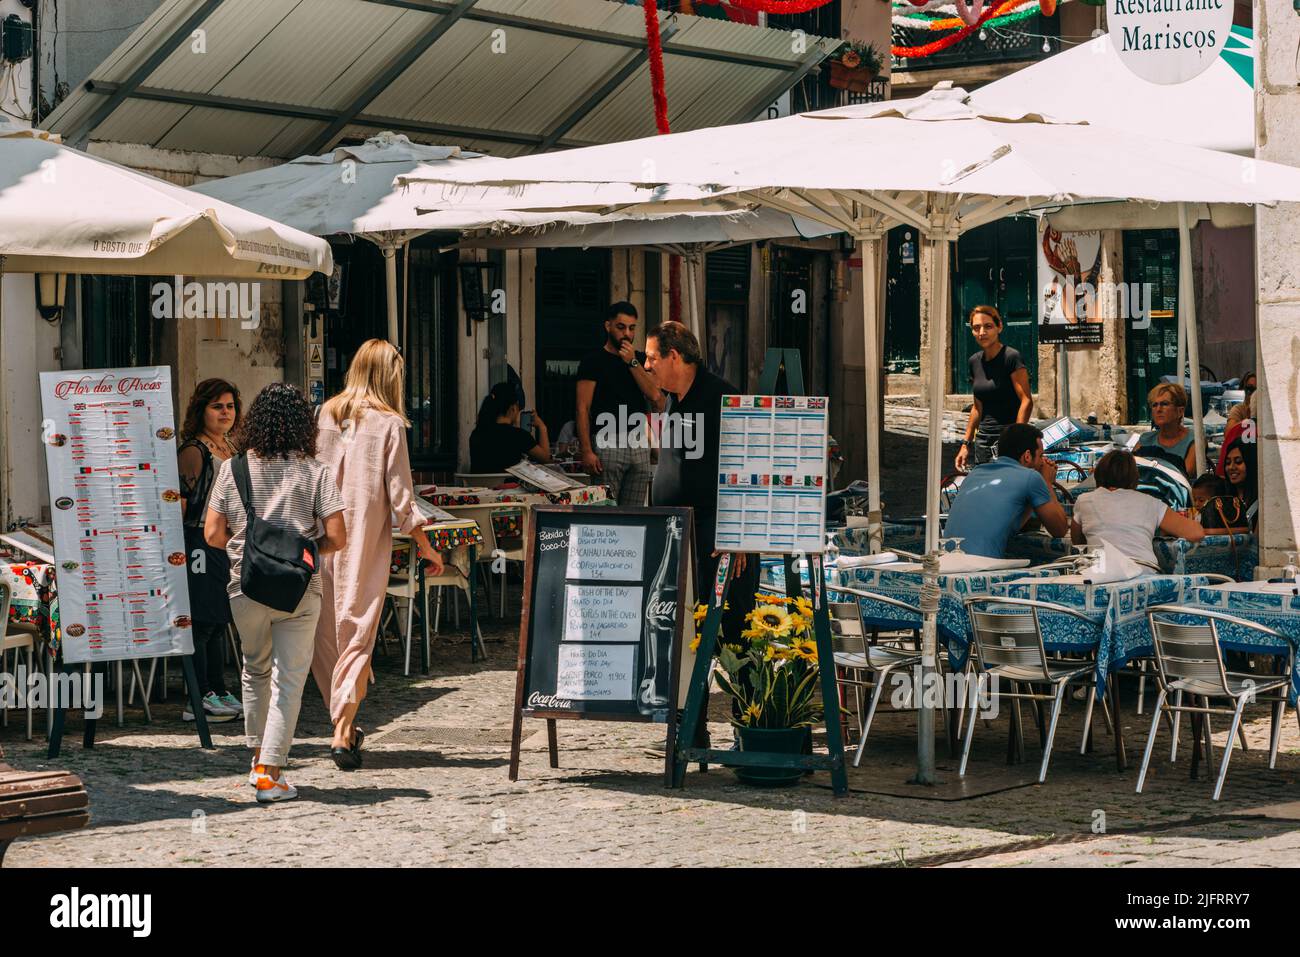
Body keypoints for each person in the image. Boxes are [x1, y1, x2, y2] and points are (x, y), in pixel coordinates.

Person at [206, 383, 347, 803]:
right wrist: (302, 552)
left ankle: (256, 760)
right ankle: (271, 771)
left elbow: (213, 533)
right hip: (299, 591)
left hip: (244, 586)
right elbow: (337, 536)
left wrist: (249, 545)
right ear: (304, 425)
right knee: (290, 680)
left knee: (255, 670)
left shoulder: (233, 469)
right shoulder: (315, 471)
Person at [311, 339, 445, 770]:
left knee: (328, 633)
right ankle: (340, 731)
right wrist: (426, 546)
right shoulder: (389, 424)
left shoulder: (326, 413)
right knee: (358, 633)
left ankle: (346, 728)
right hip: (363, 543)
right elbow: (401, 495)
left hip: (322, 538)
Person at [645, 321, 758, 646]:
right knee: (686, 627)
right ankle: (693, 697)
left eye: (652, 358)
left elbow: (749, 468)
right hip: (680, 532)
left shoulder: (722, 398)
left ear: (674, 357)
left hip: (718, 536)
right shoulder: (673, 400)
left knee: (735, 626)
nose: (648, 365)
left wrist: (737, 536)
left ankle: (746, 696)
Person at [178, 379, 243, 723]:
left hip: (226, 543)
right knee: (202, 622)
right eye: (217, 406)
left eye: (230, 406)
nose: (225, 413)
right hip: (200, 542)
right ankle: (197, 696)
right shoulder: (194, 449)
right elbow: (182, 505)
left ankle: (218, 688)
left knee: (219, 621)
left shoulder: (229, 447)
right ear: (201, 409)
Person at [576, 301, 664, 506]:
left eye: (632, 328)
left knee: (634, 512)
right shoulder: (593, 361)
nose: (627, 334)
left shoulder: (640, 360)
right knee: (606, 511)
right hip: (608, 441)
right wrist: (586, 450)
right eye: (621, 327)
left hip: (638, 440)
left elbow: (655, 395)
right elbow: (582, 408)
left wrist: (632, 362)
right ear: (608, 326)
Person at [943, 423, 1070, 559]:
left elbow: (1008, 526)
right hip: (982, 567)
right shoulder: (1031, 477)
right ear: (1027, 456)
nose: (1042, 462)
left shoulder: (975, 472)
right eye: (1040, 456)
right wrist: (1047, 483)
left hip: (948, 559)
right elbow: (1060, 530)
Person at [1070, 450, 1205, 570]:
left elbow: (1077, 542)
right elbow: (1196, 533)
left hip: (1101, 574)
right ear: (1134, 478)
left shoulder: (1084, 500)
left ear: (1098, 475)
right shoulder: (1150, 502)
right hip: (1143, 573)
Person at [955, 305, 1033, 471]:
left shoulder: (1011, 357)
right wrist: (965, 444)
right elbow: (977, 407)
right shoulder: (974, 361)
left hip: (1008, 439)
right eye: (976, 328)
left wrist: (1016, 437)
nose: (982, 332)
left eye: (988, 326)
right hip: (983, 441)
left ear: (999, 327)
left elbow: (1026, 401)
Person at [469, 381, 551, 473]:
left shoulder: (477, 433)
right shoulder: (519, 435)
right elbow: (545, 458)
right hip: (508, 487)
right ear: (513, 408)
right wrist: (541, 426)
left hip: (480, 486)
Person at [1136, 382, 1196, 478]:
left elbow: (1185, 475)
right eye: (1154, 405)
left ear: (1180, 411)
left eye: (1164, 404)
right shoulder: (1145, 439)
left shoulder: (1194, 440)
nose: (1158, 409)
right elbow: (1129, 470)